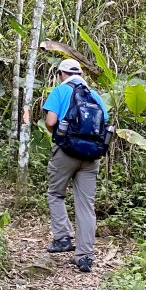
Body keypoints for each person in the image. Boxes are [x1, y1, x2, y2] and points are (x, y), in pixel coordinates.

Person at [43, 57, 109, 272]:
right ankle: (85, 256)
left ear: (62, 74)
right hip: (91, 156)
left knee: (56, 193)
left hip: (66, 153)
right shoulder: (95, 95)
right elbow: (104, 125)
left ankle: (62, 237)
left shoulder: (59, 91)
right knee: (85, 205)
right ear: (80, 74)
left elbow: (51, 122)